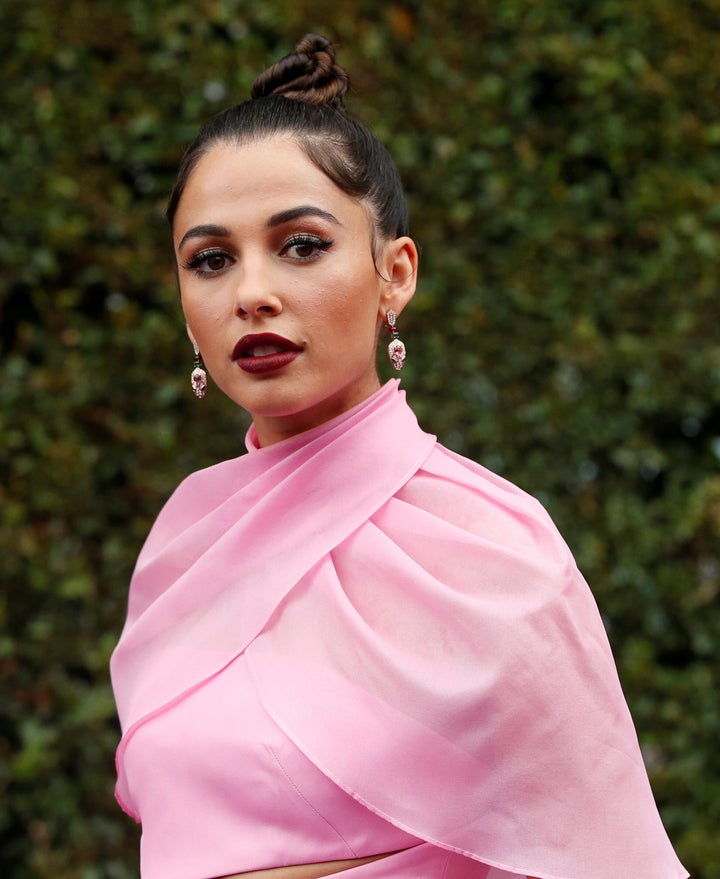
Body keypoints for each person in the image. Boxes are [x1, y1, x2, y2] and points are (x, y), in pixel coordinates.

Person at [110, 34, 688, 879]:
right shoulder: (182, 543)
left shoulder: (495, 545)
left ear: (396, 274)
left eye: (302, 244)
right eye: (210, 260)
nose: (251, 293)